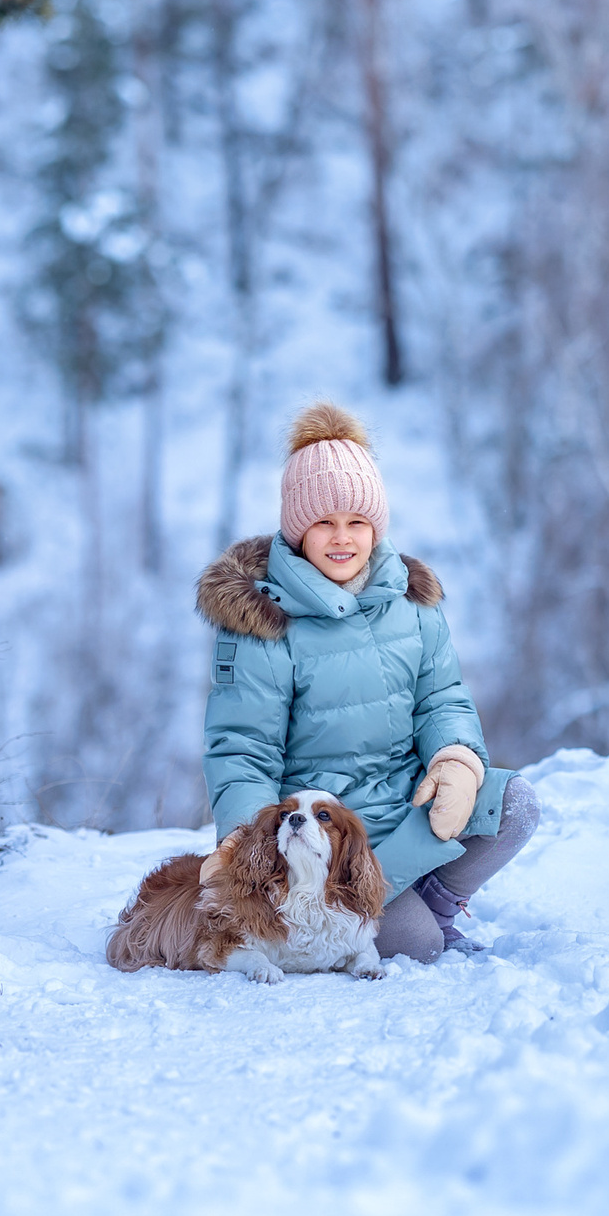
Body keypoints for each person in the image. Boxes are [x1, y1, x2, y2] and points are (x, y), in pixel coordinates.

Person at [195, 402, 537, 963]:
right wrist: (243, 838)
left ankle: (438, 898)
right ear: (297, 529)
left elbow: (441, 698)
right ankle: (407, 913)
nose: (341, 538)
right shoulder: (263, 623)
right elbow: (241, 747)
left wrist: (454, 760)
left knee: (514, 805)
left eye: (357, 522)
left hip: (407, 804)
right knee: (416, 947)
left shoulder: (412, 601)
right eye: (323, 522)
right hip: (331, 842)